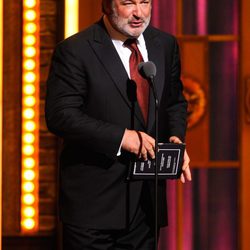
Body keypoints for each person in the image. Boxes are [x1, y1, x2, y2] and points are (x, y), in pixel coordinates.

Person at [45, 0, 192, 249]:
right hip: (93, 206)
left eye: (145, 2)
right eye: (128, 3)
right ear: (106, 6)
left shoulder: (165, 44)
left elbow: (174, 102)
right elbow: (62, 116)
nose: (138, 13)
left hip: (146, 205)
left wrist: (176, 139)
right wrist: (123, 138)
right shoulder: (75, 50)